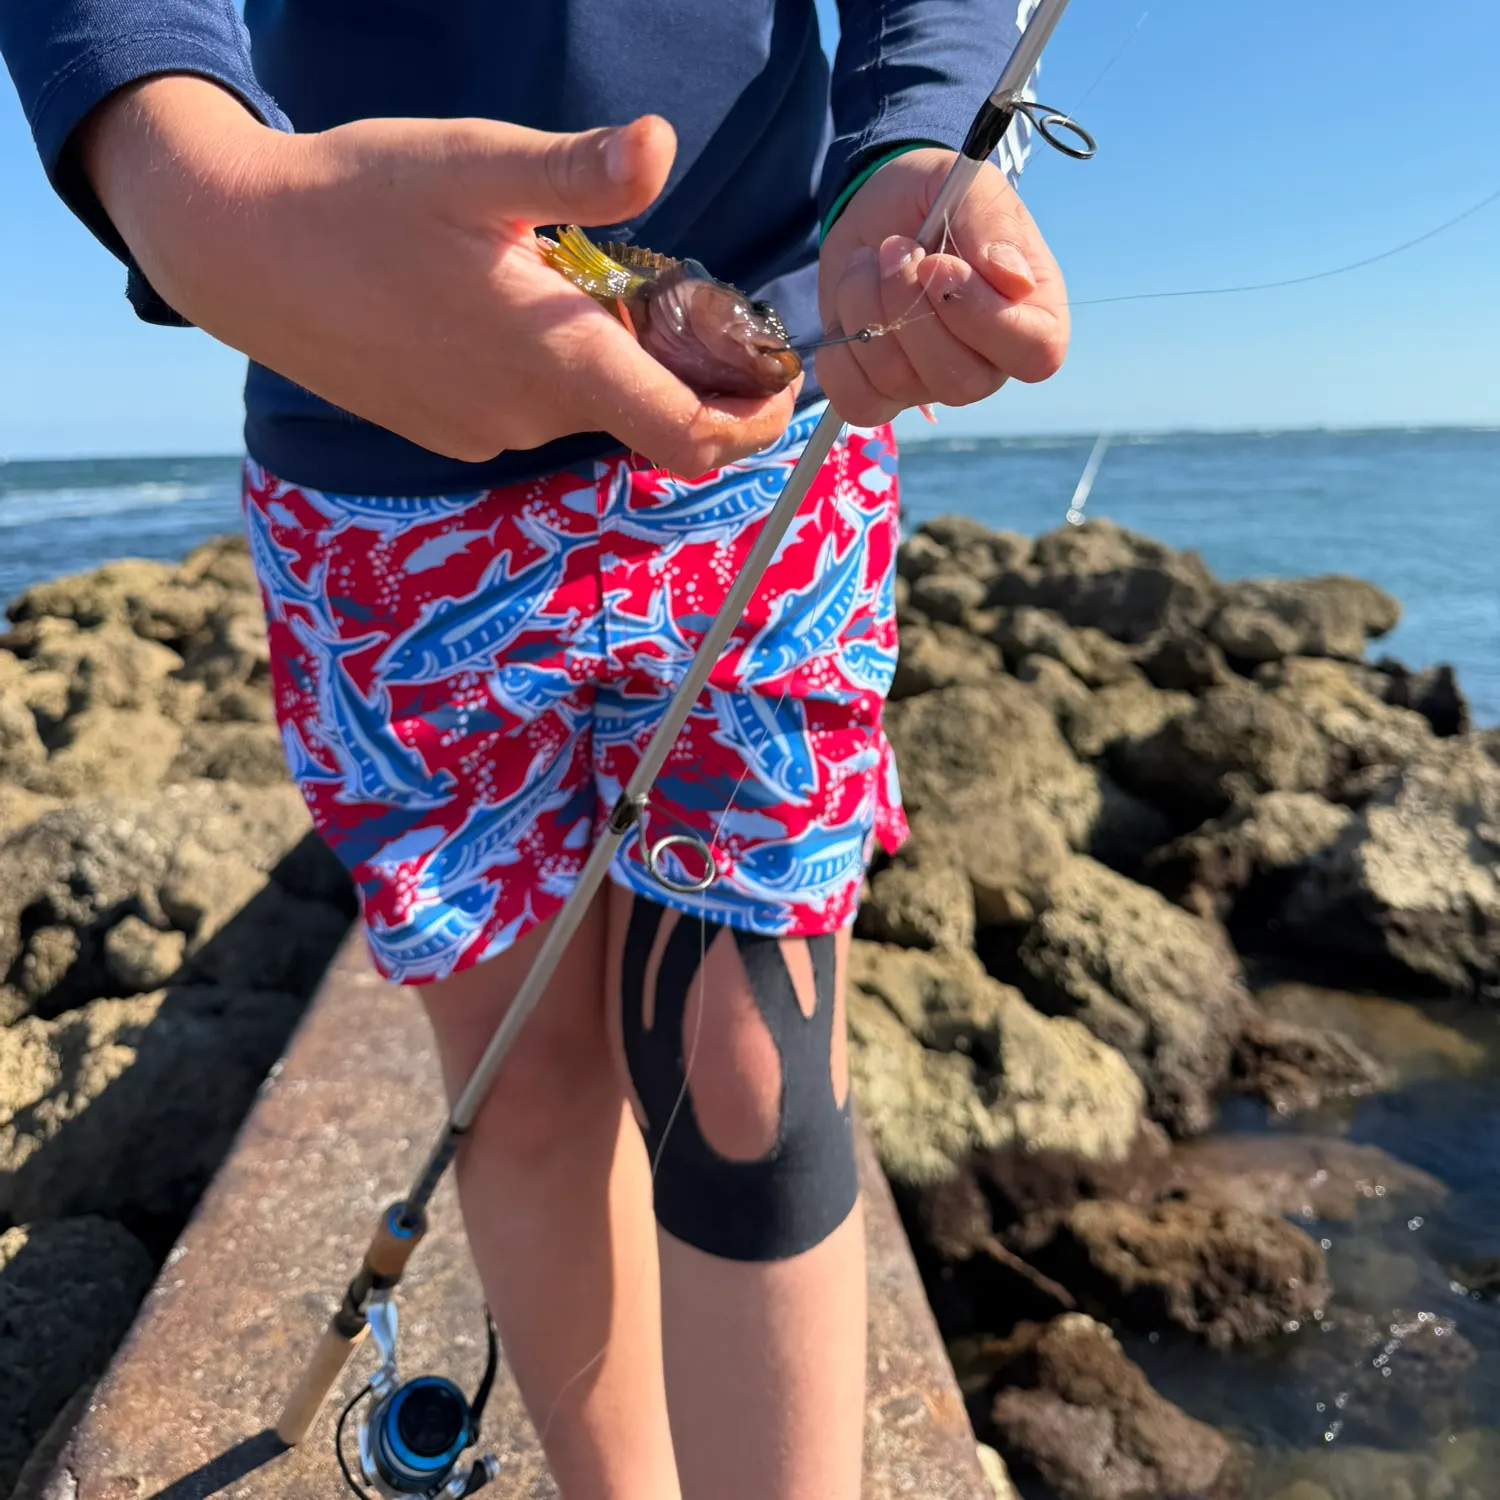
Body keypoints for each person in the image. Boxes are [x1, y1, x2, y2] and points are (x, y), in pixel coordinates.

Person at [1, 4, 1070, 1497]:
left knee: (750, 1079)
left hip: (757, 459)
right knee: (527, 1089)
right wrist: (191, 182)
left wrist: (916, 137)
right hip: (373, 489)